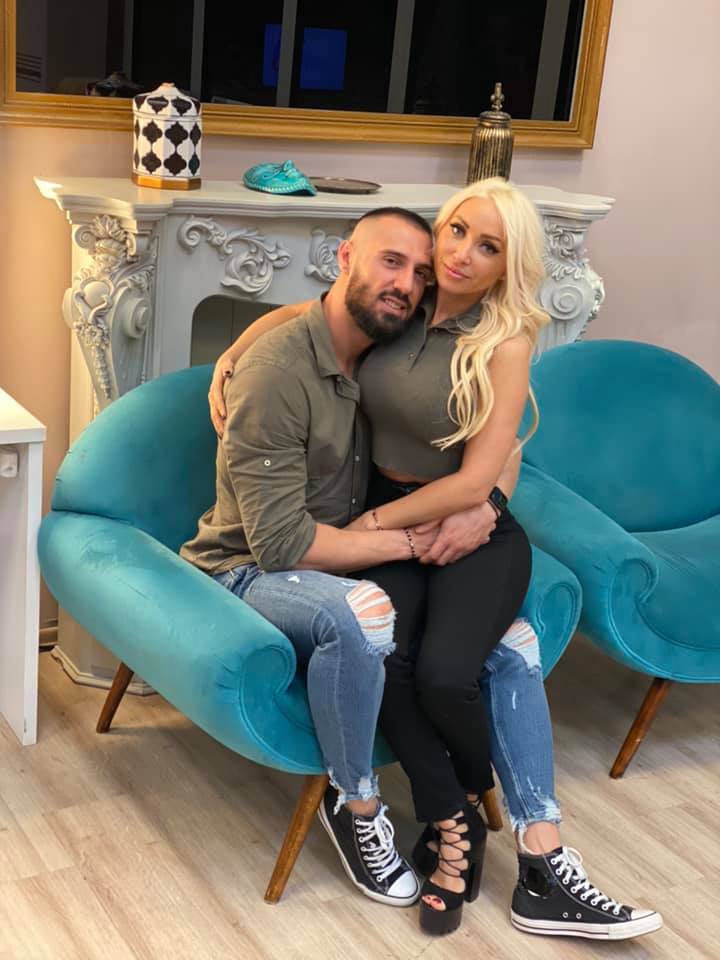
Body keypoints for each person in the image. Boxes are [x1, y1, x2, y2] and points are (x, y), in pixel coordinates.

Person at [201, 182, 662, 940]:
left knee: (478, 662)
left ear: (507, 266)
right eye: (456, 232)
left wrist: (472, 504)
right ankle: (457, 816)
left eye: (489, 247)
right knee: (397, 658)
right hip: (397, 522)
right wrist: (234, 351)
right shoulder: (401, 309)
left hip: (470, 528)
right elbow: (308, 316)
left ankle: (534, 854)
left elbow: (490, 463)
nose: (459, 256)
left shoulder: (503, 338)